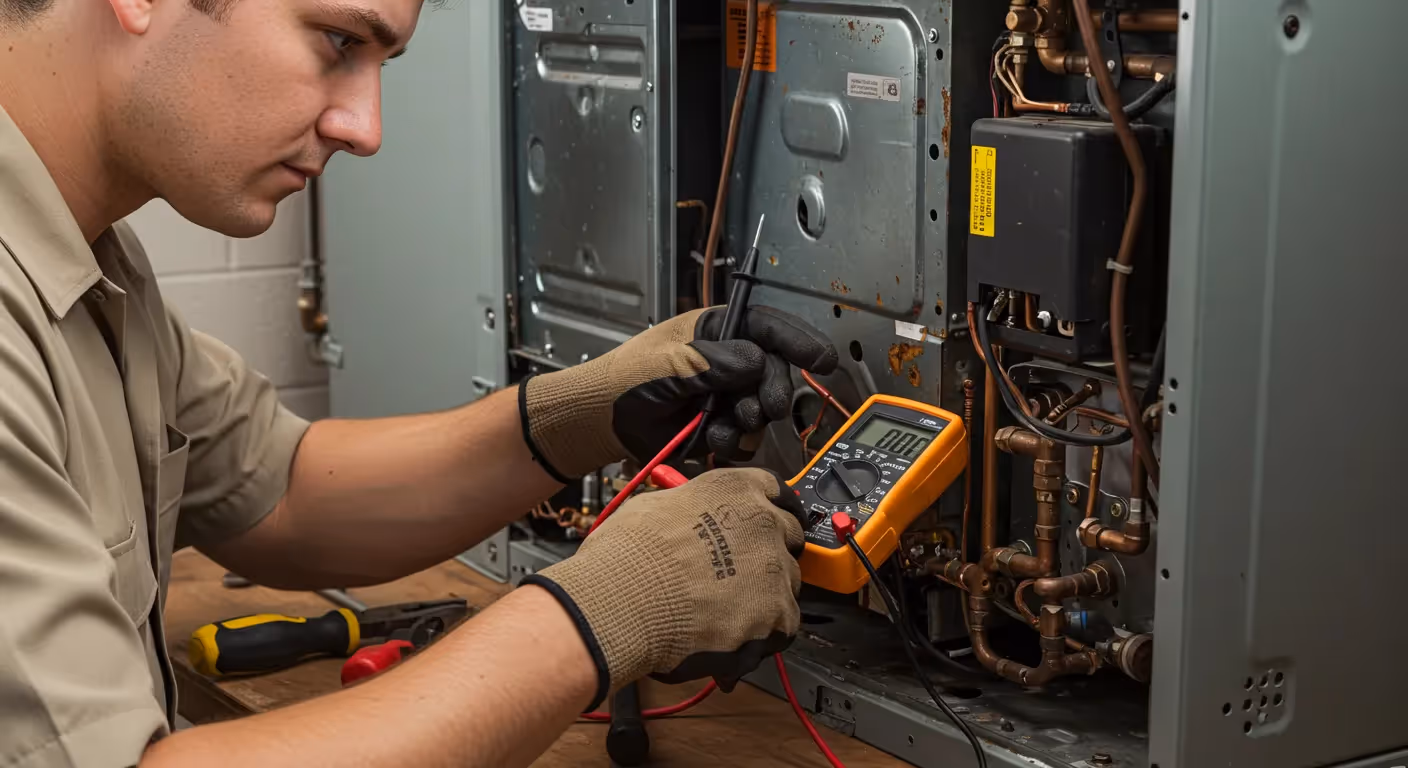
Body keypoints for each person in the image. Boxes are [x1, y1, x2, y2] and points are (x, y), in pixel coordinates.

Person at [0, 0, 840, 763]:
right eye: (338, 41)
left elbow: (282, 490)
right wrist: (610, 609)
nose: (366, 129)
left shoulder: (90, 258)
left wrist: (585, 409)